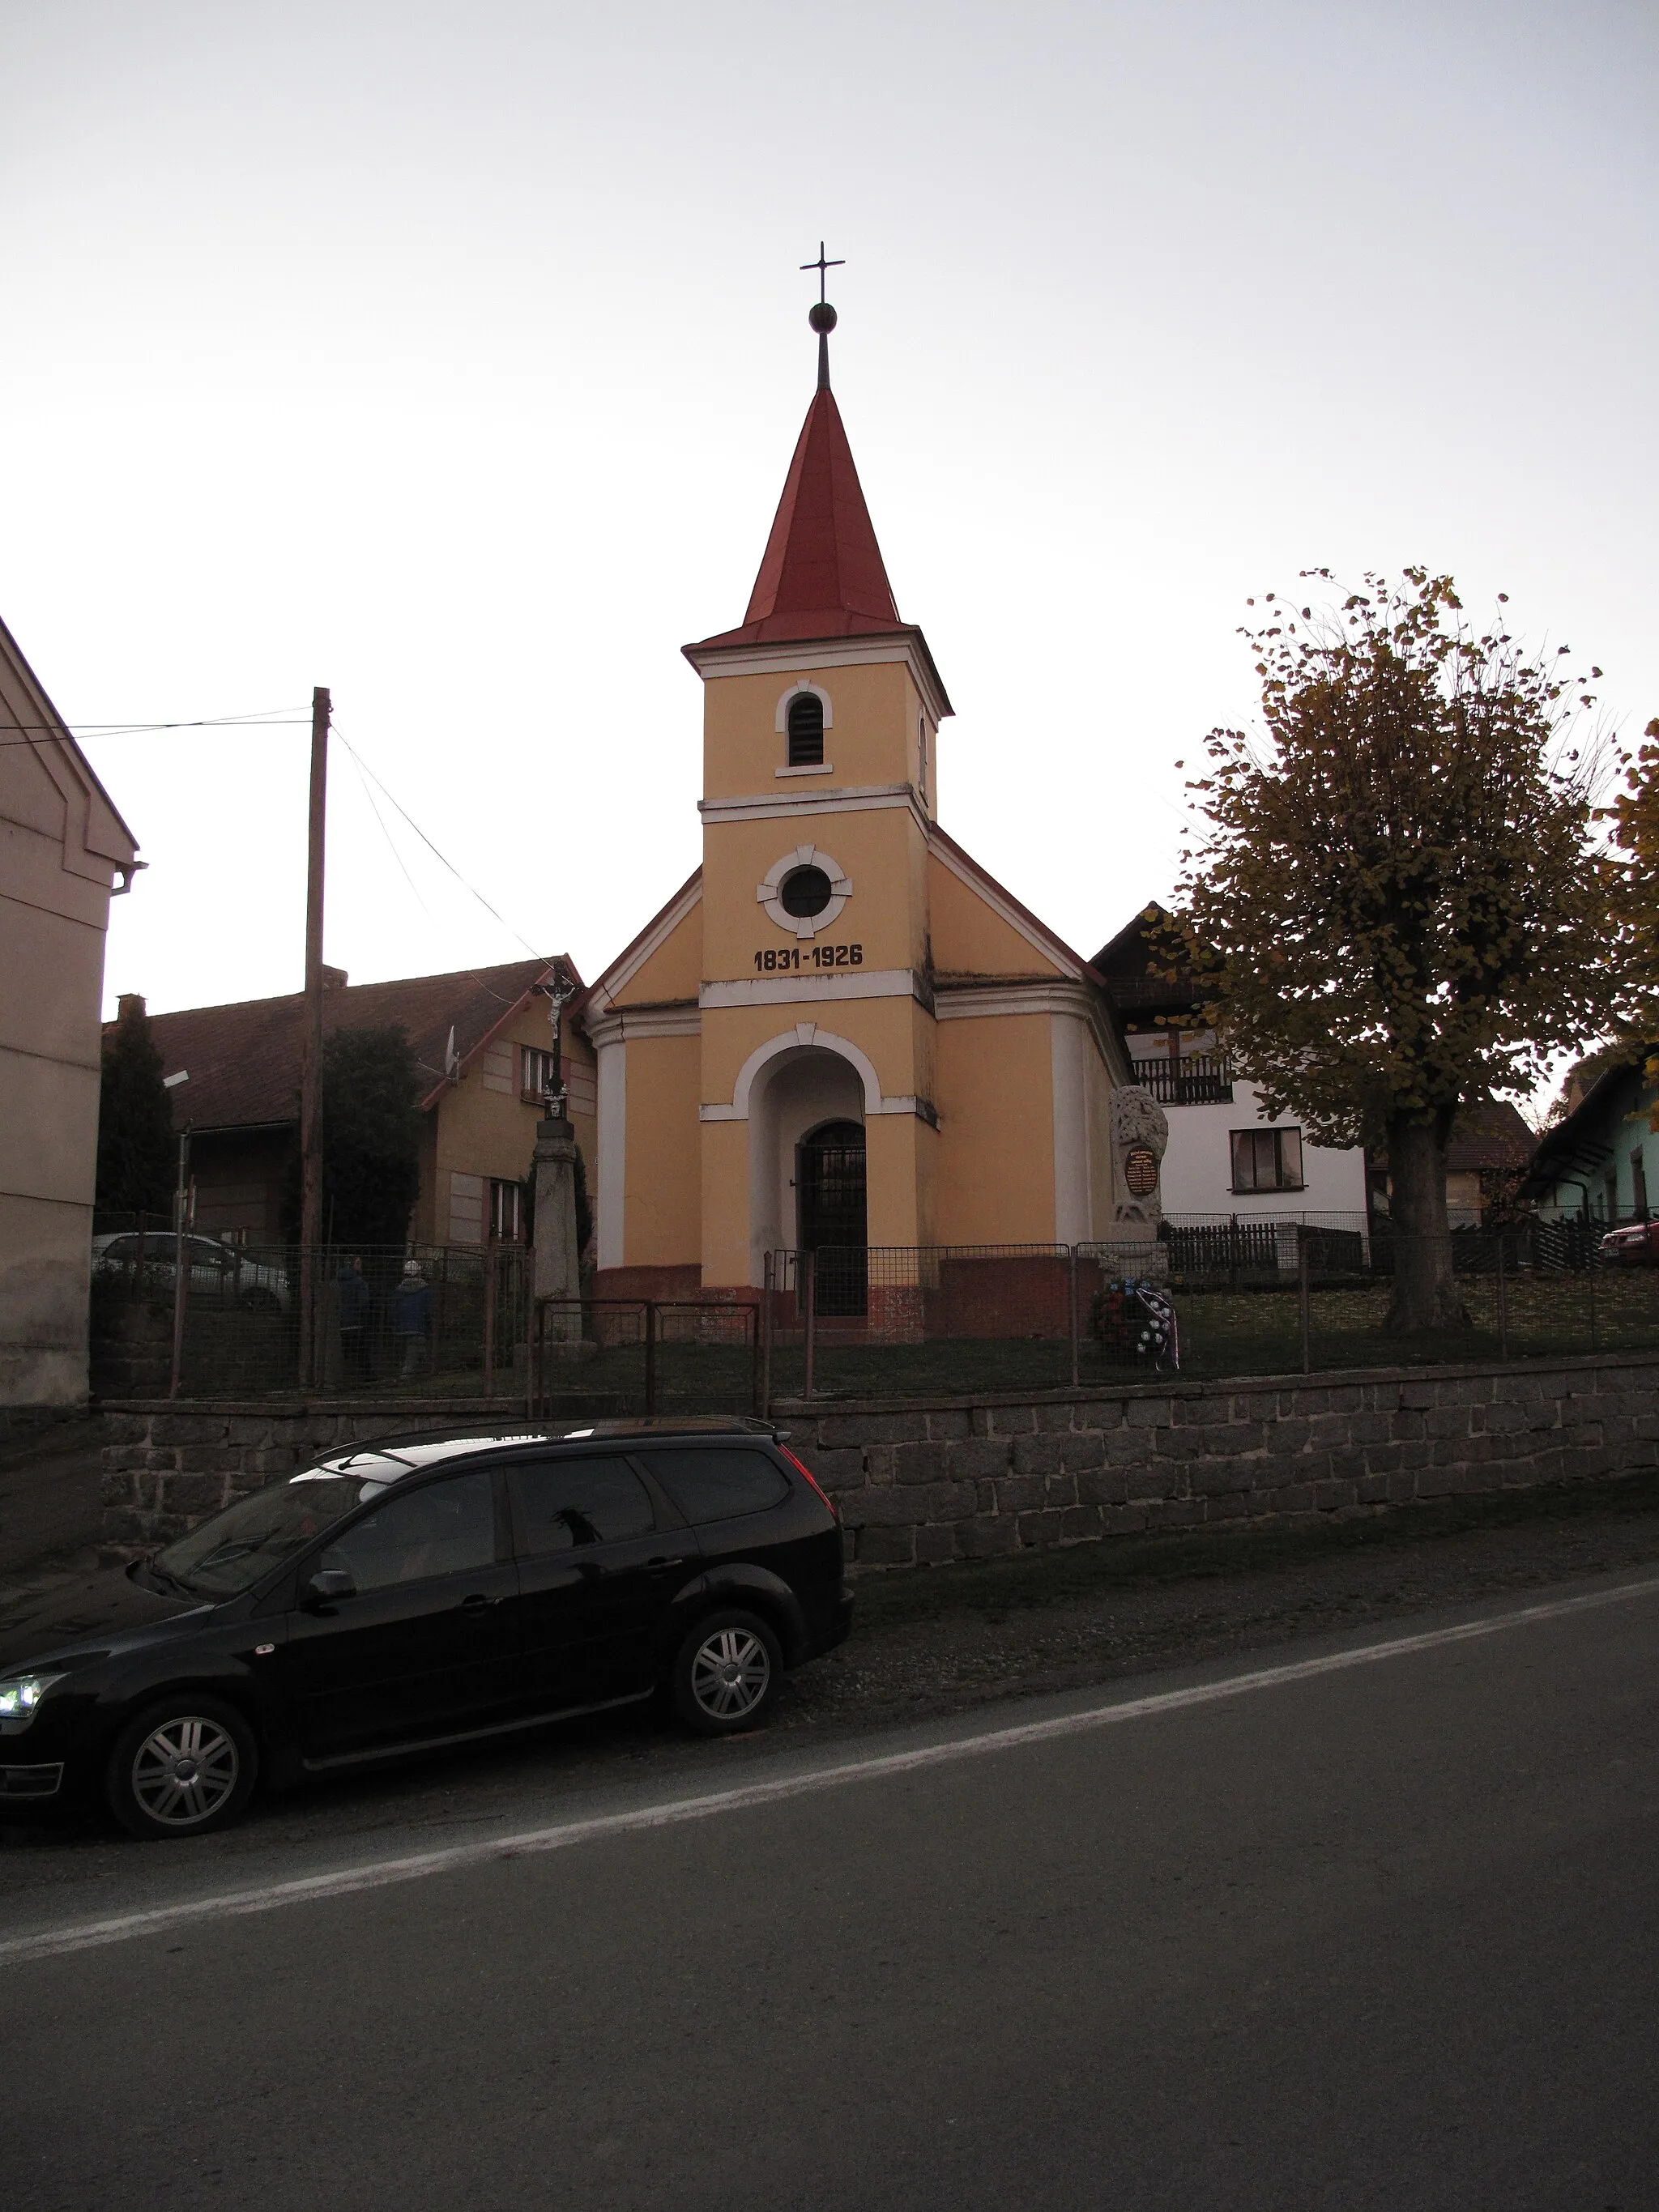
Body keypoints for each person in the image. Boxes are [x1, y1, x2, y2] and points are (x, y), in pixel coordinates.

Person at [392, 1259, 432, 1378]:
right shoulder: (425, 1290)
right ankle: (408, 1373)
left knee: (407, 1350)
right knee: (415, 1348)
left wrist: (395, 1322)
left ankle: (412, 1369)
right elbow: (429, 1309)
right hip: (419, 1325)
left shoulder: (399, 1290)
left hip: (402, 1326)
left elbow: (394, 1309)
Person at [337, 1255, 370, 1381]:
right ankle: (366, 1378)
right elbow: (364, 1303)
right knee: (362, 1352)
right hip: (356, 1322)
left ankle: (344, 1377)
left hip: (341, 1323)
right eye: (358, 1263)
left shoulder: (338, 1282)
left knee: (344, 1352)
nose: (360, 1266)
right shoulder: (359, 1283)